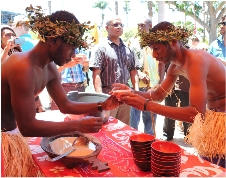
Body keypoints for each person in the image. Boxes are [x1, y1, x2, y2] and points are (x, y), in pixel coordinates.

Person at [1, 9, 119, 177]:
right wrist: (77, 125)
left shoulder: (49, 68)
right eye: (71, 49)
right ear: (53, 41)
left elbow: (65, 105)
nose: (74, 56)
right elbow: (27, 127)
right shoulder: (22, 66)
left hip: (12, 136)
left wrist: (102, 105)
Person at [112, 21, 225, 168]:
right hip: (214, 121)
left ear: (173, 42)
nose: (154, 54)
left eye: (156, 48)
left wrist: (146, 105)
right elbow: (158, 95)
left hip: (222, 122)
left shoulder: (196, 60)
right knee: (211, 168)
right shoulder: (174, 66)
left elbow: (196, 114)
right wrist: (131, 92)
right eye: (152, 49)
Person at [89, 15, 140, 126]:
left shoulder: (129, 49)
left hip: (125, 95)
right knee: (106, 127)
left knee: (123, 127)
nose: (119, 27)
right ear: (107, 28)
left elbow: (133, 71)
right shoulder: (100, 48)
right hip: (108, 95)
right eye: (115, 25)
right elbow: (96, 74)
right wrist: (100, 97)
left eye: (121, 25)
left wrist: (136, 92)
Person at [128, 17, 165, 136]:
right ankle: (132, 140)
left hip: (153, 86)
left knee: (150, 120)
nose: (140, 27)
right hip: (138, 85)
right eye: (138, 25)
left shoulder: (156, 43)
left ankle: (149, 142)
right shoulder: (132, 42)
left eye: (143, 25)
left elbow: (162, 63)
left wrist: (161, 82)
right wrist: (138, 73)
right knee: (134, 119)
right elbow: (128, 64)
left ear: (150, 25)